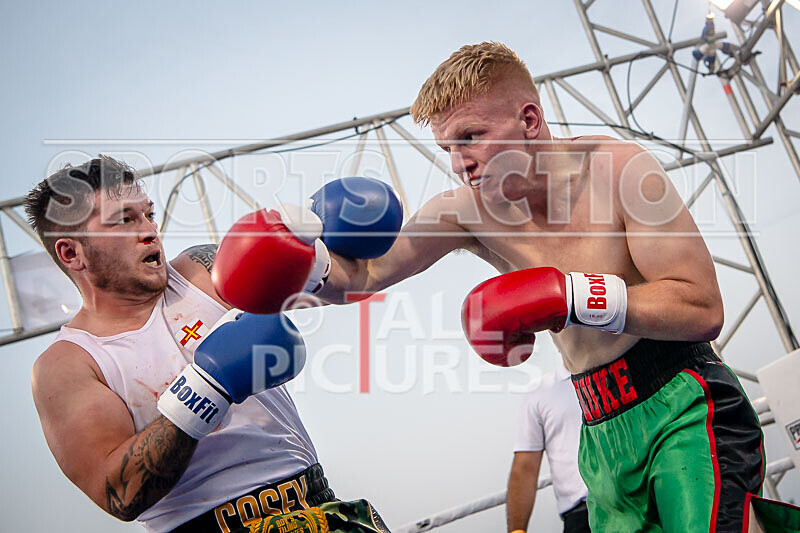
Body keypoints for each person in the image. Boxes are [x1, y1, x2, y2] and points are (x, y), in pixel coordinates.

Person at [298, 42, 765, 531]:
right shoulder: (465, 212)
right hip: (601, 431)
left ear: (529, 119)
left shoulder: (619, 170)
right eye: (448, 148)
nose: (459, 163)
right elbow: (366, 276)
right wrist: (295, 253)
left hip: (684, 405)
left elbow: (701, 307)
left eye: (471, 137)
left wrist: (571, 295)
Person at [26, 157, 390, 533]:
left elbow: (363, 280)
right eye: (124, 220)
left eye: (149, 214)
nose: (149, 231)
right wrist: (207, 388)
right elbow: (118, 494)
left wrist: (328, 240)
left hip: (317, 505)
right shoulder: (68, 364)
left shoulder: (206, 271)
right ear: (72, 253)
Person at [507, 363, 589, 533]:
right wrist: (517, 530)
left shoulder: (626, 368)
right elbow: (525, 467)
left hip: (635, 502)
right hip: (580, 515)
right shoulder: (539, 391)